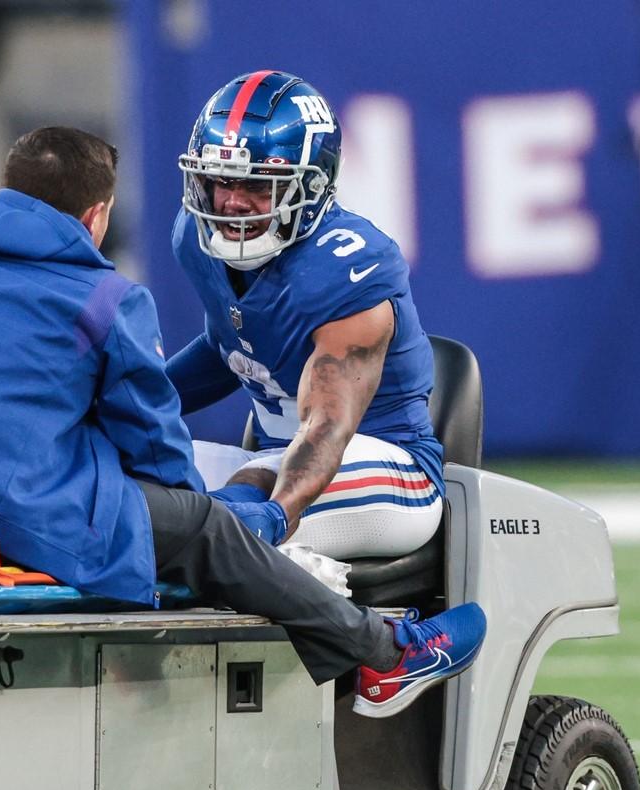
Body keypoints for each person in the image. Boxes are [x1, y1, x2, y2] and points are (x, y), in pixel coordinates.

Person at [0, 126, 486, 718]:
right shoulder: (106, 298)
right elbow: (157, 454)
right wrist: (215, 520)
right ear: (95, 218)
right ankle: (383, 652)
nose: (231, 204)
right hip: (3, 514)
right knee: (202, 526)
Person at [165, 70, 443, 561]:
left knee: (238, 508)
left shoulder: (346, 266)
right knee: (120, 471)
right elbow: (227, 352)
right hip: (267, 460)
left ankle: (409, 639)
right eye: (218, 181)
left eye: (256, 186)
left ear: (310, 187)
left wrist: (276, 515)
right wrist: (125, 406)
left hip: (385, 466)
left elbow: (328, 425)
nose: (230, 203)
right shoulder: (197, 240)